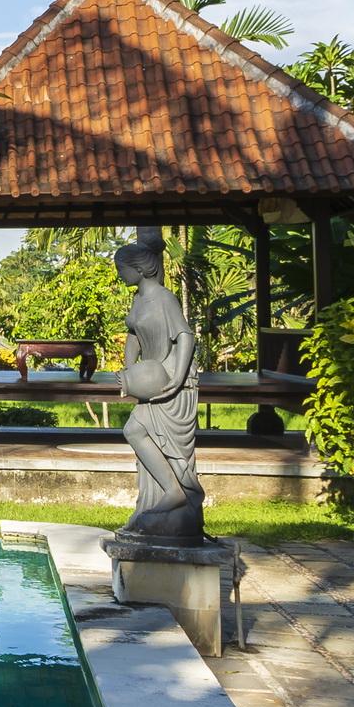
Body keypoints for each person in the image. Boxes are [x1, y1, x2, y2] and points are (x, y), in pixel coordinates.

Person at [114, 230, 204, 543]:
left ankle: (175, 493)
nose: (119, 273)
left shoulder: (163, 298)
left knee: (136, 431)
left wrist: (177, 378)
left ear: (138, 268)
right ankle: (165, 497)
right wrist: (130, 369)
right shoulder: (139, 299)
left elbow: (185, 336)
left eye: (121, 268)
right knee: (136, 431)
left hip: (173, 381)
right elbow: (134, 334)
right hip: (152, 379)